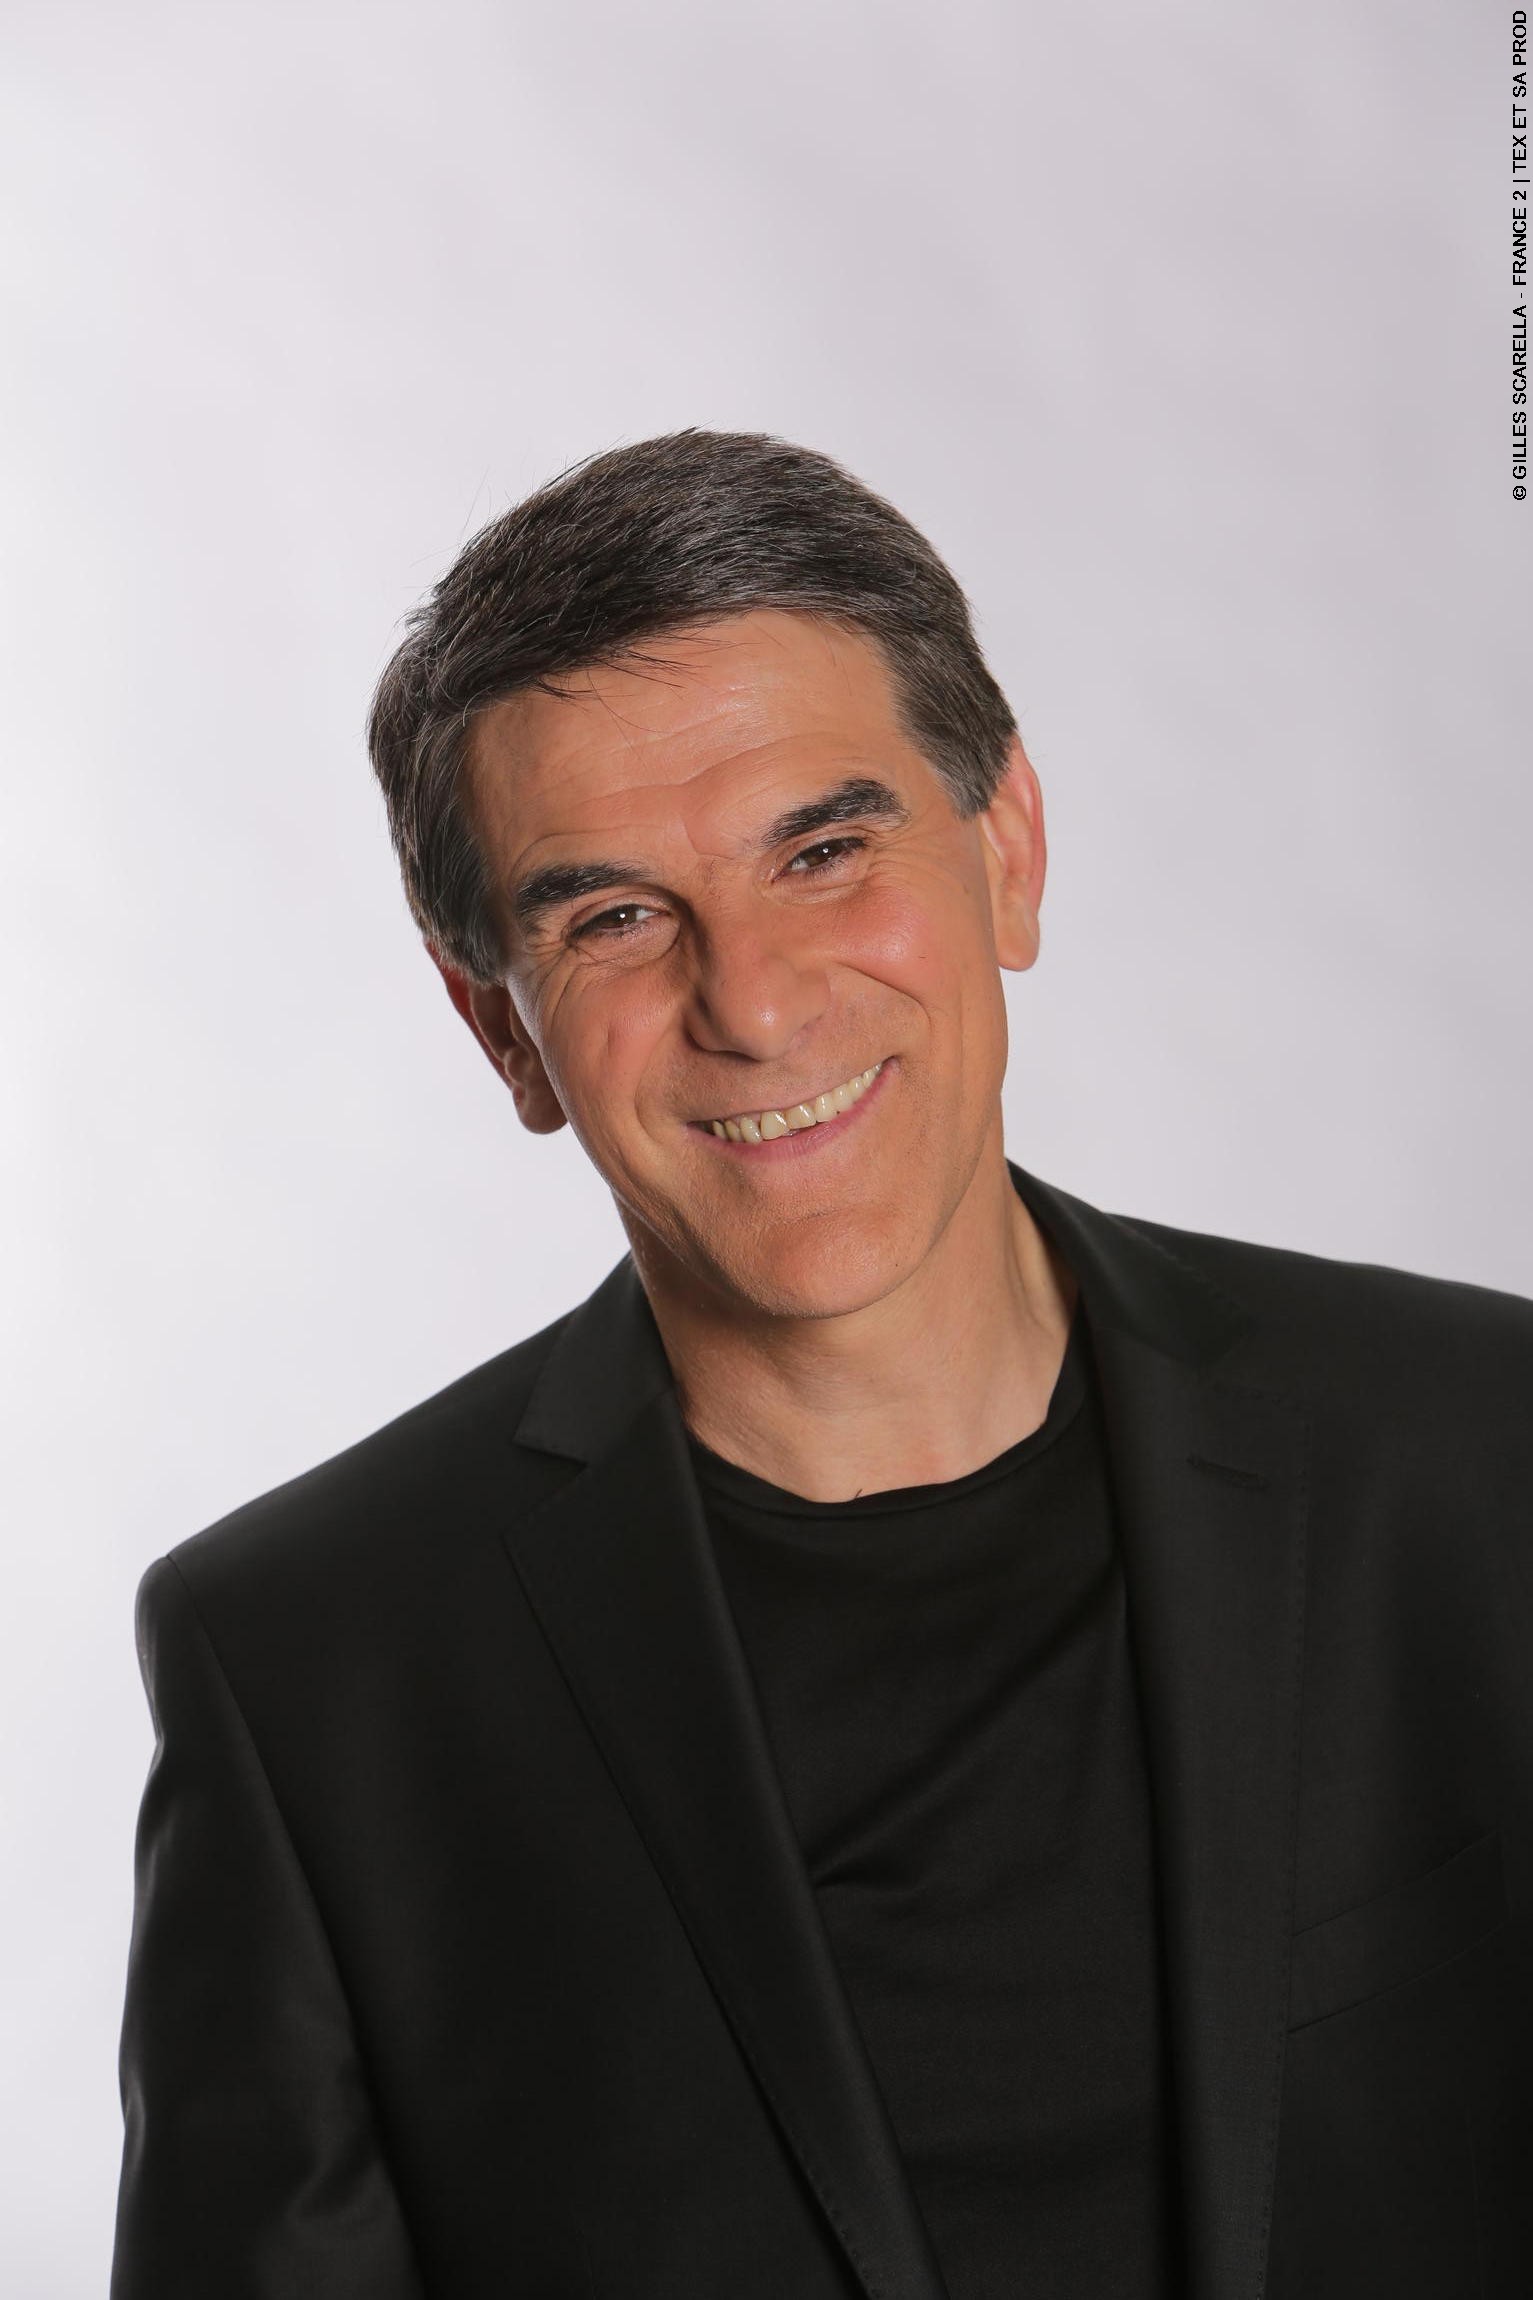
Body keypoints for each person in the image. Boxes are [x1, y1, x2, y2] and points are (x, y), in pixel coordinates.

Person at [110, 431, 1533, 2300]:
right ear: (504, 1034)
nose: (754, 1000)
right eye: (614, 918)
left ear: (1006, 852)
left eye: (824, 851)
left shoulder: (1482, 1459)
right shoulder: (312, 1672)